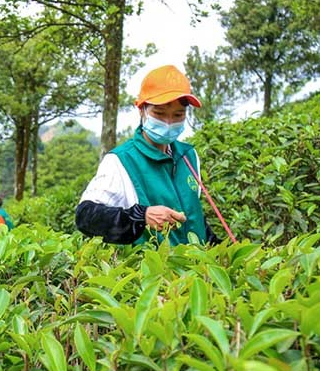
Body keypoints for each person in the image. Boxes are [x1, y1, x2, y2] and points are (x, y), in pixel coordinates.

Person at [75, 65, 219, 246]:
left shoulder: (188, 156)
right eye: (159, 114)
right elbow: (85, 216)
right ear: (142, 110)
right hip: (153, 270)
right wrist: (141, 216)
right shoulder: (121, 161)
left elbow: (193, 217)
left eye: (178, 115)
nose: (168, 123)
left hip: (197, 270)